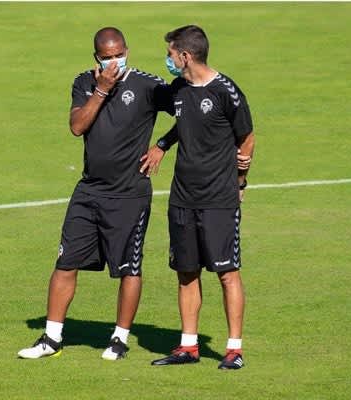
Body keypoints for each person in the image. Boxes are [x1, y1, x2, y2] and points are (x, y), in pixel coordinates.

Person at [18, 27, 173, 360]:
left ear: (127, 51)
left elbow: (190, 114)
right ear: (96, 58)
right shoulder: (83, 83)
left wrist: (162, 145)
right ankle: (51, 338)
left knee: (129, 268)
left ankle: (119, 339)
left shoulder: (148, 85)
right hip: (89, 191)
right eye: (107, 57)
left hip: (130, 193)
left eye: (119, 54)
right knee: (65, 262)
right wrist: (101, 89)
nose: (114, 61)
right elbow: (77, 126)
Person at [141, 25, 255, 370]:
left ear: (185, 56)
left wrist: (240, 182)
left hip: (218, 199)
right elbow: (186, 120)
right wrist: (163, 144)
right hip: (182, 198)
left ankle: (234, 350)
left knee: (226, 272)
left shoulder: (226, 91)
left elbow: (246, 138)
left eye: (170, 54)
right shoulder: (179, 89)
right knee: (186, 272)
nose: (168, 59)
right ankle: (188, 346)